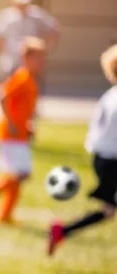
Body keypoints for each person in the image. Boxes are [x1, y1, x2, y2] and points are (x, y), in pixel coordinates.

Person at [48, 44, 117, 256]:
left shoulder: (109, 96)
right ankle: (62, 231)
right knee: (109, 210)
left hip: (102, 157)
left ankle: (61, 231)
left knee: (108, 211)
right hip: (111, 160)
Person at [0, 37, 47, 224]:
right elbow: (1, 96)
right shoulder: (22, 76)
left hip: (20, 134)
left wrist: (28, 126)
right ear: (27, 58)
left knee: (17, 175)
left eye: (43, 58)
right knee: (20, 174)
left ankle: (5, 215)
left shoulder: (30, 79)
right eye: (38, 58)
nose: (42, 62)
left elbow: (23, 107)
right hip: (12, 134)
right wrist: (11, 123)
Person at [0, 0, 59, 80]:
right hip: (11, 63)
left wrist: (44, 50)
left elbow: (54, 29)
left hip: (31, 65)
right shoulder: (6, 15)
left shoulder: (36, 14)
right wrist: (4, 48)